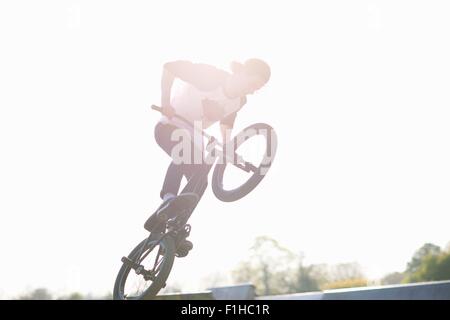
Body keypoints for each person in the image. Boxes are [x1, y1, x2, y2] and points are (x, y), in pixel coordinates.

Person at [144, 58, 271, 236]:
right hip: (169, 125)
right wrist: (165, 102)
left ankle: (174, 228)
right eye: (252, 84)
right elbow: (169, 68)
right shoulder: (211, 77)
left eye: (256, 89)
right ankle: (168, 199)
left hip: (194, 136)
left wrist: (228, 148)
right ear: (241, 72)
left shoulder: (239, 101)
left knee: (201, 178)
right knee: (185, 152)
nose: (252, 91)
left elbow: (226, 123)